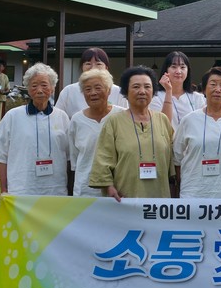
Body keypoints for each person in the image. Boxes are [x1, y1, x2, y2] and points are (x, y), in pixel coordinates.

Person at [0, 63, 71, 196]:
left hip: (55, 189)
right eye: (34, 86)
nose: (39, 90)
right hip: (22, 187)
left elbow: (69, 157)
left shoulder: (62, 117)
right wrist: (4, 190)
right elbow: (1, 155)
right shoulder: (13, 116)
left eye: (44, 85)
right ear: (28, 89)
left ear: (52, 88)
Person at [90, 66, 175, 200]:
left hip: (159, 199)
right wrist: (108, 187)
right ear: (126, 92)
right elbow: (103, 158)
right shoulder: (114, 122)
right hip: (125, 199)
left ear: (153, 91)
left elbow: (171, 162)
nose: (142, 91)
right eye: (136, 87)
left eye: (147, 87)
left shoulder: (162, 120)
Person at [173, 67, 221, 199]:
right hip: (193, 193)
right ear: (204, 90)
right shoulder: (189, 120)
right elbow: (176, 158)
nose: (217, 89)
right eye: (213, 84)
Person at [68, 68, 124, 197]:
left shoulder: (121, 115)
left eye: (98, 88)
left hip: (117, 190)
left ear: (109, 90)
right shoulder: (77, 120)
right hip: (85, 189)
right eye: (87, 89)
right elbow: (75, 158)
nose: (93, 93)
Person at [55, 47, 127, 117]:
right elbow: (58, 118)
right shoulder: (68, 91)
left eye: (98, 64)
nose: (93, 67)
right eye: (88, 64)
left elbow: (126, 118)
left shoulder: (119, 92)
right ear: (82, 67)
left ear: (106, 68)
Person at [152, 51, 205, 128]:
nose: (178, 71)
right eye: (174, 67)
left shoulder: (198, 98)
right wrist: (168, 91)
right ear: (166, 70)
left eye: (182, 67)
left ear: (188, 70)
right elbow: (163, 125)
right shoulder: (156, 97)